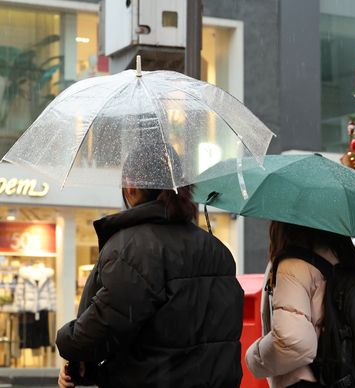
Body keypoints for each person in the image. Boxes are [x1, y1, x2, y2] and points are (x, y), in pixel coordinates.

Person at [56, 142, 244, 388]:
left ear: (131, 185)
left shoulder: (132, 248)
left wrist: (68, 342)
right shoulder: (218, 251)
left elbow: (105, 326)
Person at [245, 221, 355, 388]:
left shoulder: (293, 265)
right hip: (353, 379)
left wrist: (253, 359)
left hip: (306, 380)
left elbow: (292, 343)